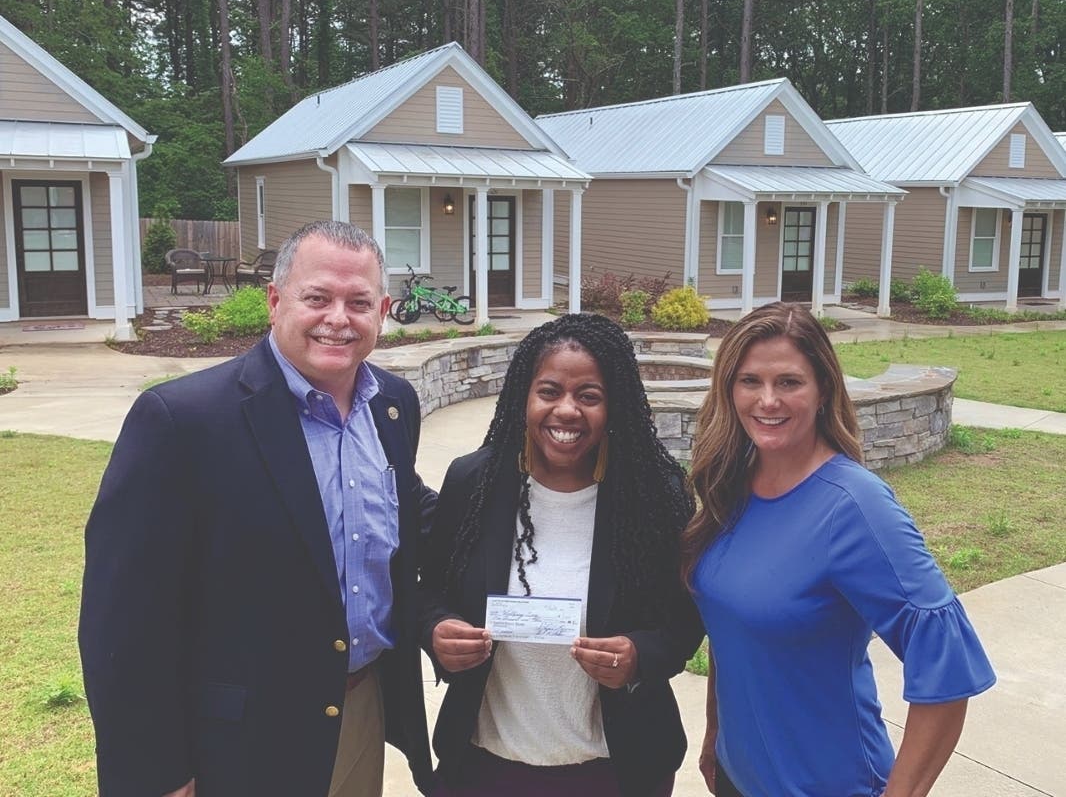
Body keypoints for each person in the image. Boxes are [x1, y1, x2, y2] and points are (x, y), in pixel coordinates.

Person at [79, 220, 435, 797]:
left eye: (358, 302)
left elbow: (403, 504)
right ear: (275, 300)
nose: (338, 318)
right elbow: (122, 620)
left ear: (384, 309)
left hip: (360, 712)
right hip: (237, 741)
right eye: (316, 297)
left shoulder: (393, 405)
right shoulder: (181, 421)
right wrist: (155, 773)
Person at [683, 302, 996, 797]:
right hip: (737, 778)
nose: (767, 400)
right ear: (728, 388)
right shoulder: (731, 486)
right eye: (750, 381)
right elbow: (732, 626)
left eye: (789, 382)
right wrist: (717, 734)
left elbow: (947, 665)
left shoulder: (855, 506)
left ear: (823, 388)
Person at [419, 313, 704, 797]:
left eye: (588, 396)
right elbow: (429, 592)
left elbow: (686, 619)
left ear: (613, 406)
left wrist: (640, 656)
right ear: (523, 397)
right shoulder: (474, 483)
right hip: (488, 764)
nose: (566, 410)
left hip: (616, 767)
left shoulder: (654, 495)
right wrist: (436, 631)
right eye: (549, 391)